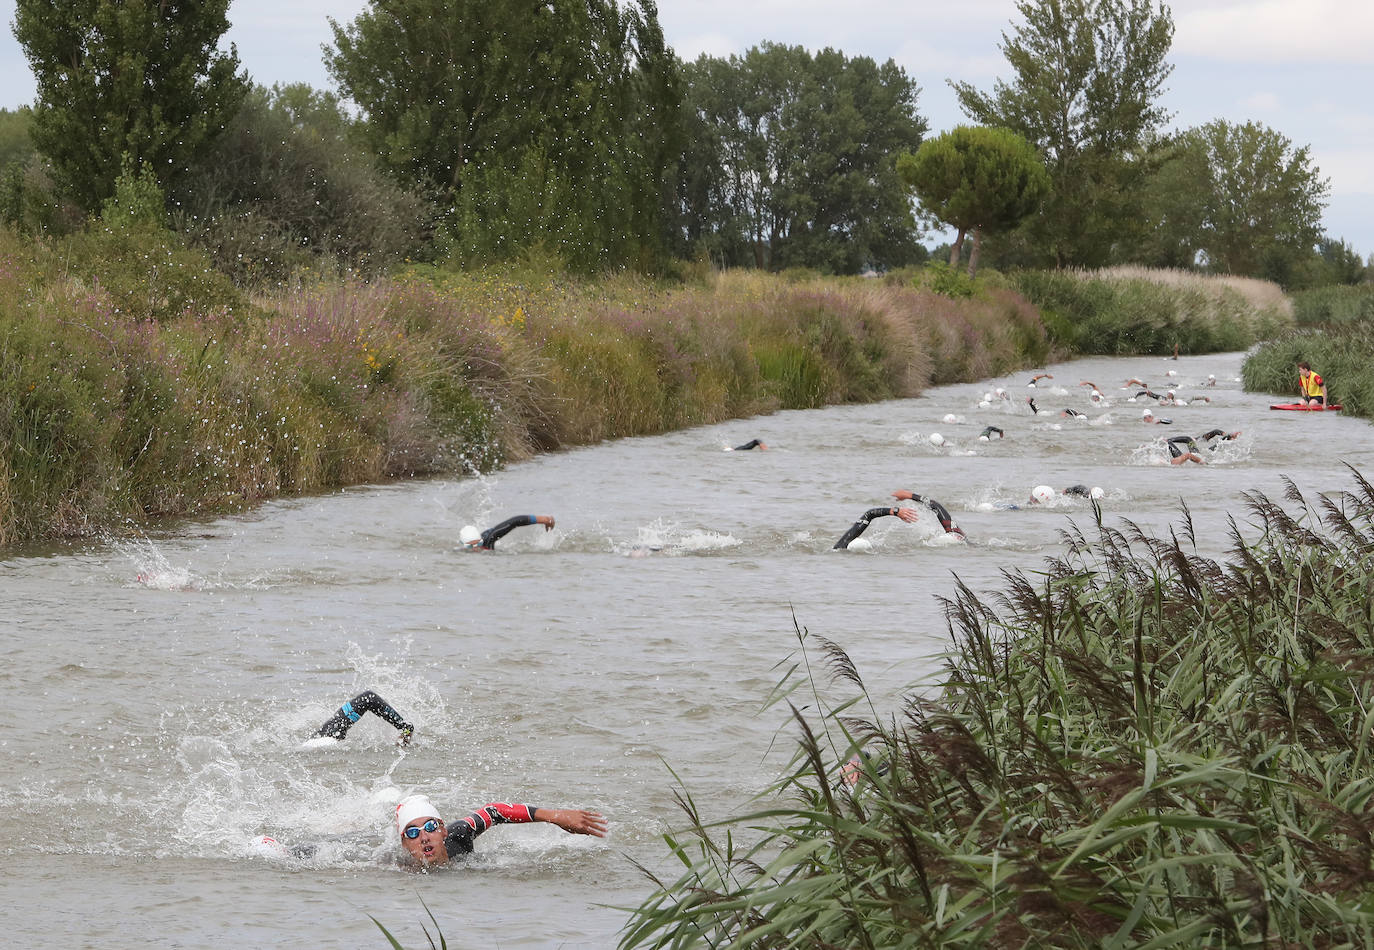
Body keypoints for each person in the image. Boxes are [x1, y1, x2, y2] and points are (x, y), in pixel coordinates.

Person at [395, 794, 607, 867]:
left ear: (443, 831)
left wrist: (556, 817)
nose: (424, 837)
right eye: (413, 833)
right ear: (404, 843)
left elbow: (494, 811)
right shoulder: (399, 868)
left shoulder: (459, 835)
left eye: (430, 827)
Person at [313, 690, 413, 744]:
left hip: (320, 741)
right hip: (322, 742)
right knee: (368, 698)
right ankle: (405, 728)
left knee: (368, 698)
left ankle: (406, 729)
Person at [832, 505, 922, 550]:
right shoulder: (841, 546)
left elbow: (869, 514)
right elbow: (869, 514)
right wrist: (895, 511)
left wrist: (895, 512)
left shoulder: (840, 547)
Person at [890, 490, 965, 538]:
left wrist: (910, 495)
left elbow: (936, 506)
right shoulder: (958, 536)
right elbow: (936, 507)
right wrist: (910, 495)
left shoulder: (956, 537)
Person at [460, 515, 555, 550]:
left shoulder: (489, 539)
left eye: (476, 545)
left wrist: (545, 519)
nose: (474, 549)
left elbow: (514, 522)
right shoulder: (463, 551)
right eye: (470, 547)